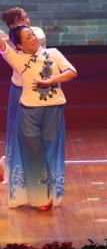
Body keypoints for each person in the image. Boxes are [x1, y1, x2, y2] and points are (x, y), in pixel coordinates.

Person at [0, 25, 76, 210]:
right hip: (28, 111)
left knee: (49, 149)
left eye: (32, 34)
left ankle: (51, 192)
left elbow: (72, 72)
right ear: (19, 45)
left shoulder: (53, 53)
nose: (33, 38)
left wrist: (51, 80)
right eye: (28, 37)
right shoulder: (16, 58)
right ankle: (41, 197)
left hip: (54, 109)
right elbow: (2, 45)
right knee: (33, 153)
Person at [1, 7, 46, 188]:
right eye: (22, 19)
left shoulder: (36, 33)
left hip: (37, 89)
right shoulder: (8, 42)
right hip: (19, 89)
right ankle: (12, 169)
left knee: (37, 132)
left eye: (27, 17)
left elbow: (29, 44)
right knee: (18, 131)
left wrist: (9, 38)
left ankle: (37, 172)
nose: (27, 21)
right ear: (12, 25)